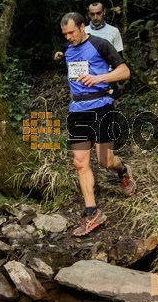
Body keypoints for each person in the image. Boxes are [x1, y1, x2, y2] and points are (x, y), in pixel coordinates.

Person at [53, 12, 137, 237]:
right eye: (65, 34)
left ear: (83, 27)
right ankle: (93, 212)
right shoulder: (68, 48)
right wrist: (60, 56)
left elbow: (125, 72)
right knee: (80, 163)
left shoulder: (101, 44)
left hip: (101, 107)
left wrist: (98, 78)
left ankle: (123, 169)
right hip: (77, 110)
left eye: (72, 32)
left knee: (105, 160)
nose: (69, 36)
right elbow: (70, 61)